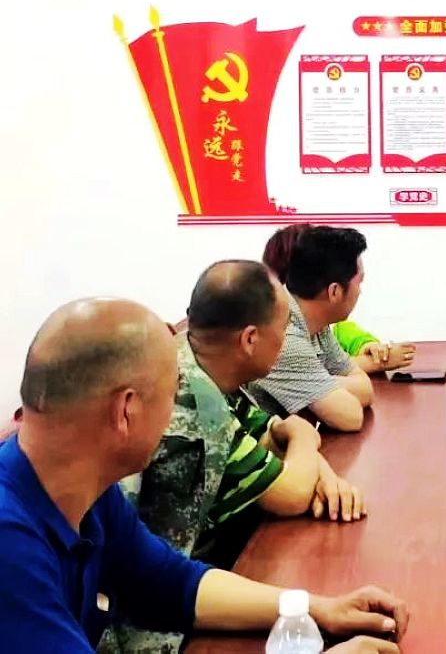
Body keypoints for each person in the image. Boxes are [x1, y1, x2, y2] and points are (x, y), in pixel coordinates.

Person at [0, 298, 408, 652]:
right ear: (127, 411)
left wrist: (316, 608)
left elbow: (171, 582)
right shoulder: (10, 543)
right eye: (173, 392)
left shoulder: (86, 490)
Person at [104, 262, 371, 651]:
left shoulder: (198, 362)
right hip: (160, 628)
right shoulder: (193, 398)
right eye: (283, 329)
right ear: (250, 339)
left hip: (184, 586)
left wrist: (320, 468)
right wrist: (303, 437)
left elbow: (269, 433)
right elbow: (291, 493)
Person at [249, 227, 376, 431]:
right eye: (359, 283)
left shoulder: (316, 324)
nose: (360, 291)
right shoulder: (283, 335)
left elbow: (365, 388)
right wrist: (319, 387)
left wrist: (318, 383)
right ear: (334, 292)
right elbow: (350, 417)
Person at [263, 224, 415, 376]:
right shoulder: (280, 335)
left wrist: (367, 346)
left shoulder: (320, 326)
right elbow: (311, 376)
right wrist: (375, 362)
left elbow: (342, 332)